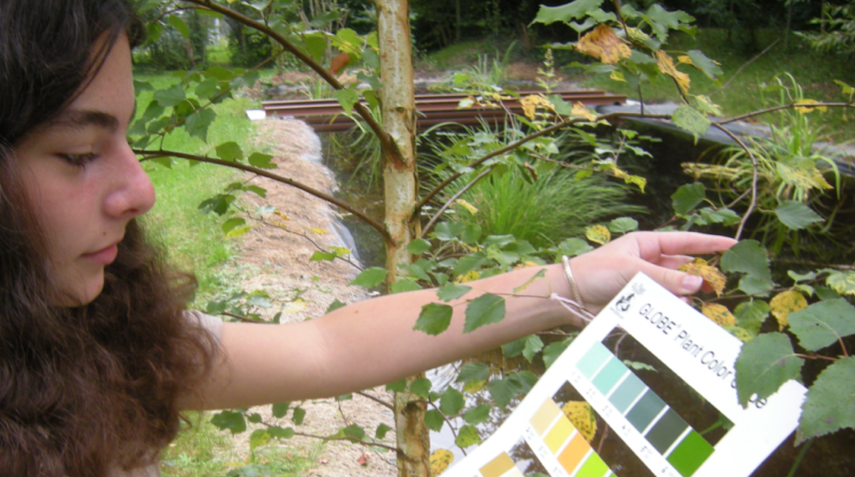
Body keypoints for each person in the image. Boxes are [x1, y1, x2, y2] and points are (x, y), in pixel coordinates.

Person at [0, 0, 736, 475]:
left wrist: (573, 280)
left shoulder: (92, 334)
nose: (141, 191)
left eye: (131, 136)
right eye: (78, 154)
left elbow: (323, 346)